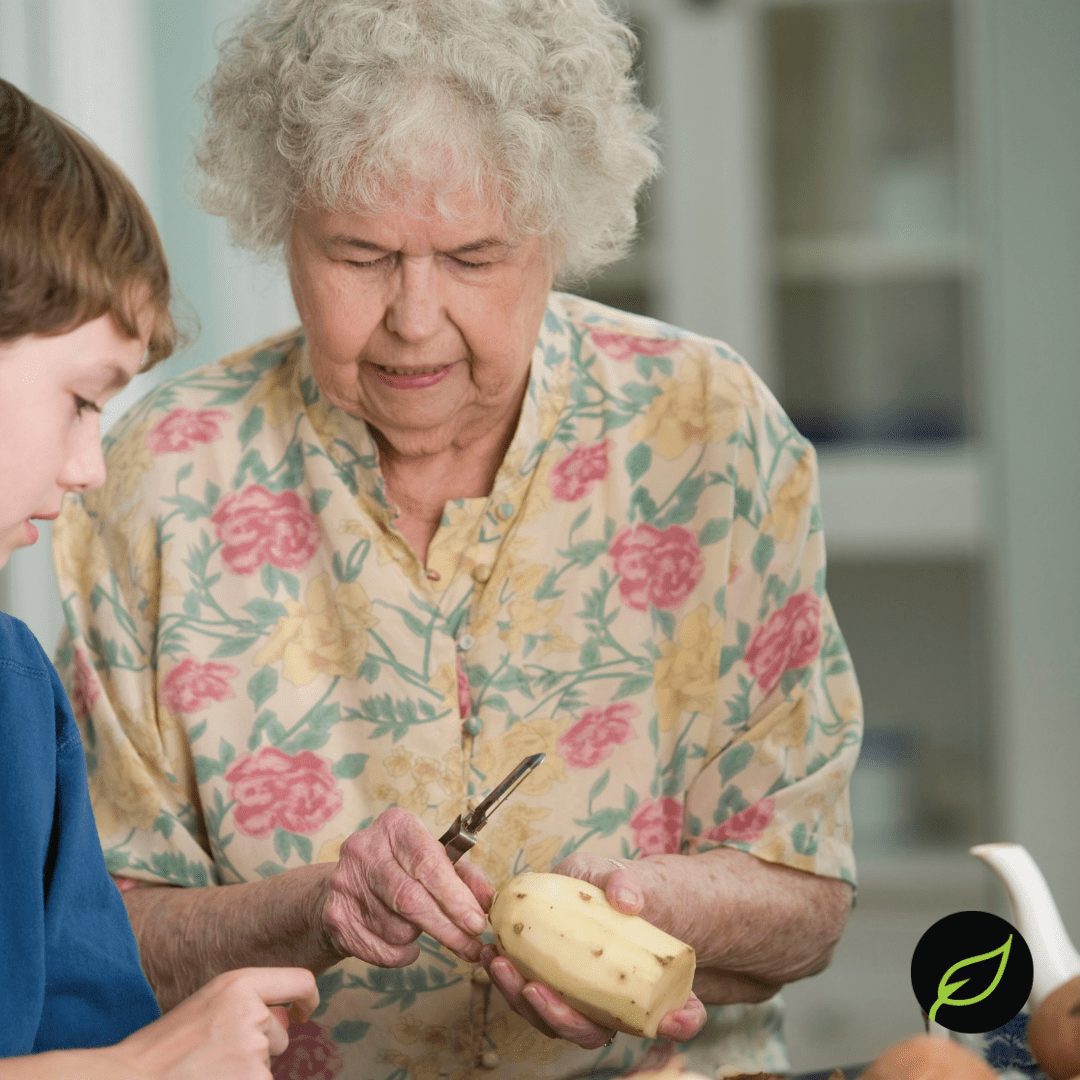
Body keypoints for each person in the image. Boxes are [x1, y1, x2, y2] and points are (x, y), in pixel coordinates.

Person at [50, 1, 863, 1076]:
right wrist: (318, 907)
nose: (416, 316)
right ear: (280, 224)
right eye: (362, 254)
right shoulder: (156, 473)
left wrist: (655, 908)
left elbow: (806, 897)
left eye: (474, 257)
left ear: (559, 234)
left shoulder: (708, 430)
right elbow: (95, 943)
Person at [0, 77, 318, 1078]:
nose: (91, 467)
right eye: (82, 399)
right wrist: (138, 1068)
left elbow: (80, 1022)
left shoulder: (14, 694)